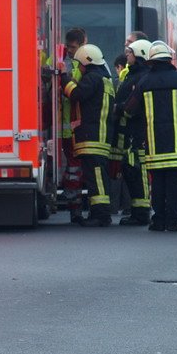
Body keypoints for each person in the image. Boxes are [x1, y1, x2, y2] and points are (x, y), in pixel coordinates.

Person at [125, 41, 177, 232]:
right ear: (169, 60)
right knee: (174, 185)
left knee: (158, 184)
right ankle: (173, 222)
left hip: (153, 146)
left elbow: (129, 110)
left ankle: (158, 221)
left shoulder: (144, 82)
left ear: (151, 61)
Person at [61, 44, 116, 227]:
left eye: (80, 64)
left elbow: (76, 94)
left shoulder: (92, 78)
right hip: (101, 136)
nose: (80, 69)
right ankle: (98, 213)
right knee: (96, 177)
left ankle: (101, 216)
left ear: (86, 61)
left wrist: (63, 77)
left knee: (96, 178)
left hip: (92, 137)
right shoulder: (105, 79)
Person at [112, 39, 152, 226]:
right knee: (131, 171)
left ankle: (142, 212)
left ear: (139, 54)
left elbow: (133, 106)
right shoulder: (133, 75)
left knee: (139, 171)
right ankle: (137, 211)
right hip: (129, 131)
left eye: (130, 52)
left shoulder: (142, 78)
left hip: (139, 131)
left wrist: (119, 108)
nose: (127, 55)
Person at [60, 28, 88, 223]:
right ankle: (75, 208)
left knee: (78, 170)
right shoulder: (66, 63)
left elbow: (76, 93)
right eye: (68, 47)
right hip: (68, 130)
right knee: (73, 170)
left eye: (73, 47)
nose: (70, 51)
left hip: (79, 128)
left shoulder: (82, 66)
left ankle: (79, 207)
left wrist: (65, 78)